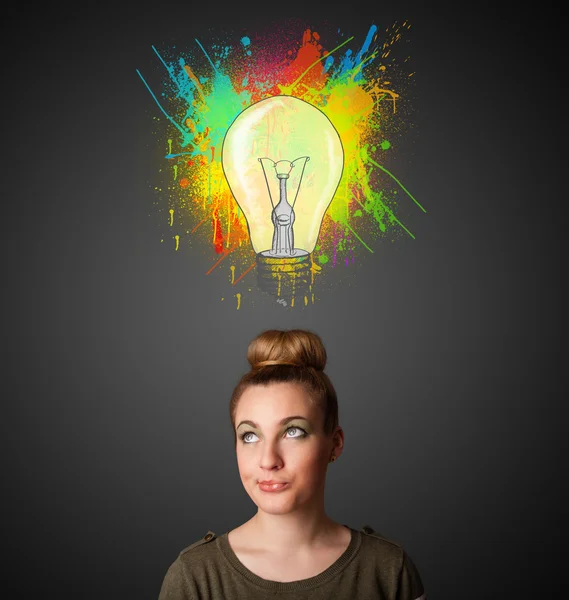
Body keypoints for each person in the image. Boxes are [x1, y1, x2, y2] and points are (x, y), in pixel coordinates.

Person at [158, 329, 427, 599]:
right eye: (250, 436)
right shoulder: (194, 577)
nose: (268, 460)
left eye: (293, 431)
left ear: (335, 444)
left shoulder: (389, 570)